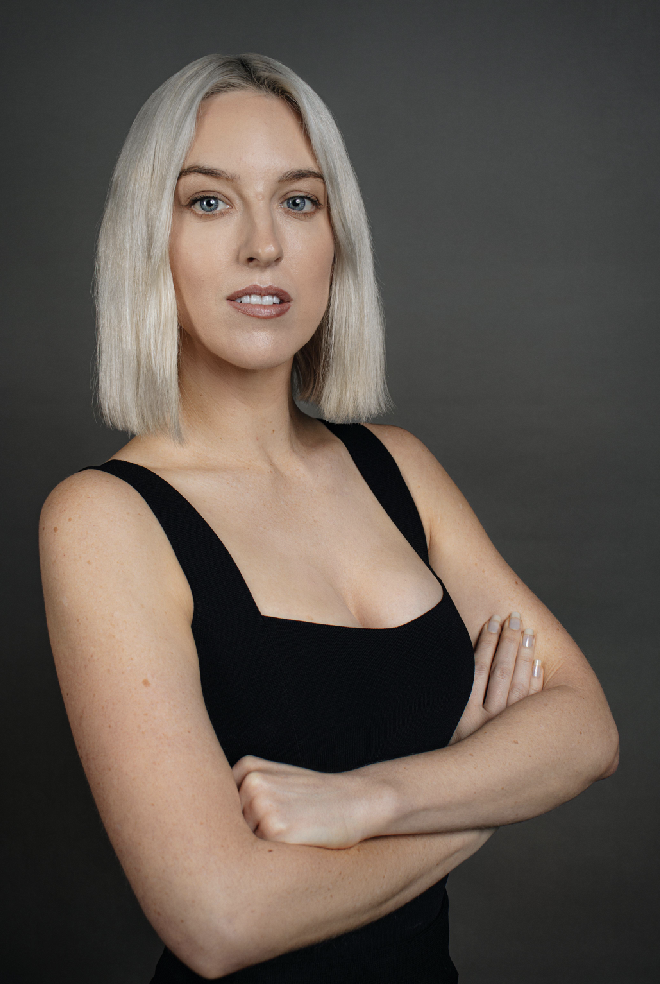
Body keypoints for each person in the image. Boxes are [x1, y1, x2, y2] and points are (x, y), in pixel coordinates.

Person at [39, 54, 618, 983]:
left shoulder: (399, 468)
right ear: (148, 238)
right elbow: (219, 920)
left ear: (336, 237)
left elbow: (585, 731)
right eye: (209, 202)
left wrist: (372, 801)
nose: (263, 245)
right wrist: (482, 787)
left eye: (300, 201)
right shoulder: (103, 519)